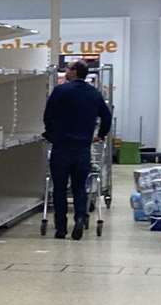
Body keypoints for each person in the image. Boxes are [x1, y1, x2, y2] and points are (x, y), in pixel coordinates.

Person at [43, 60, 113, 241]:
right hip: (83, 148)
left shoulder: (60, 91)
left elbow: (47, 116)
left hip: (61, 148)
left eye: (68, 68)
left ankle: (60, 228)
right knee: (79, 187)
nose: (65, 71)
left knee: (59, 188)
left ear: (74, 72)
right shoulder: (94, 93)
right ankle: (80, 218)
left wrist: (52, 134)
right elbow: (106, 117)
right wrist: (101, 135)